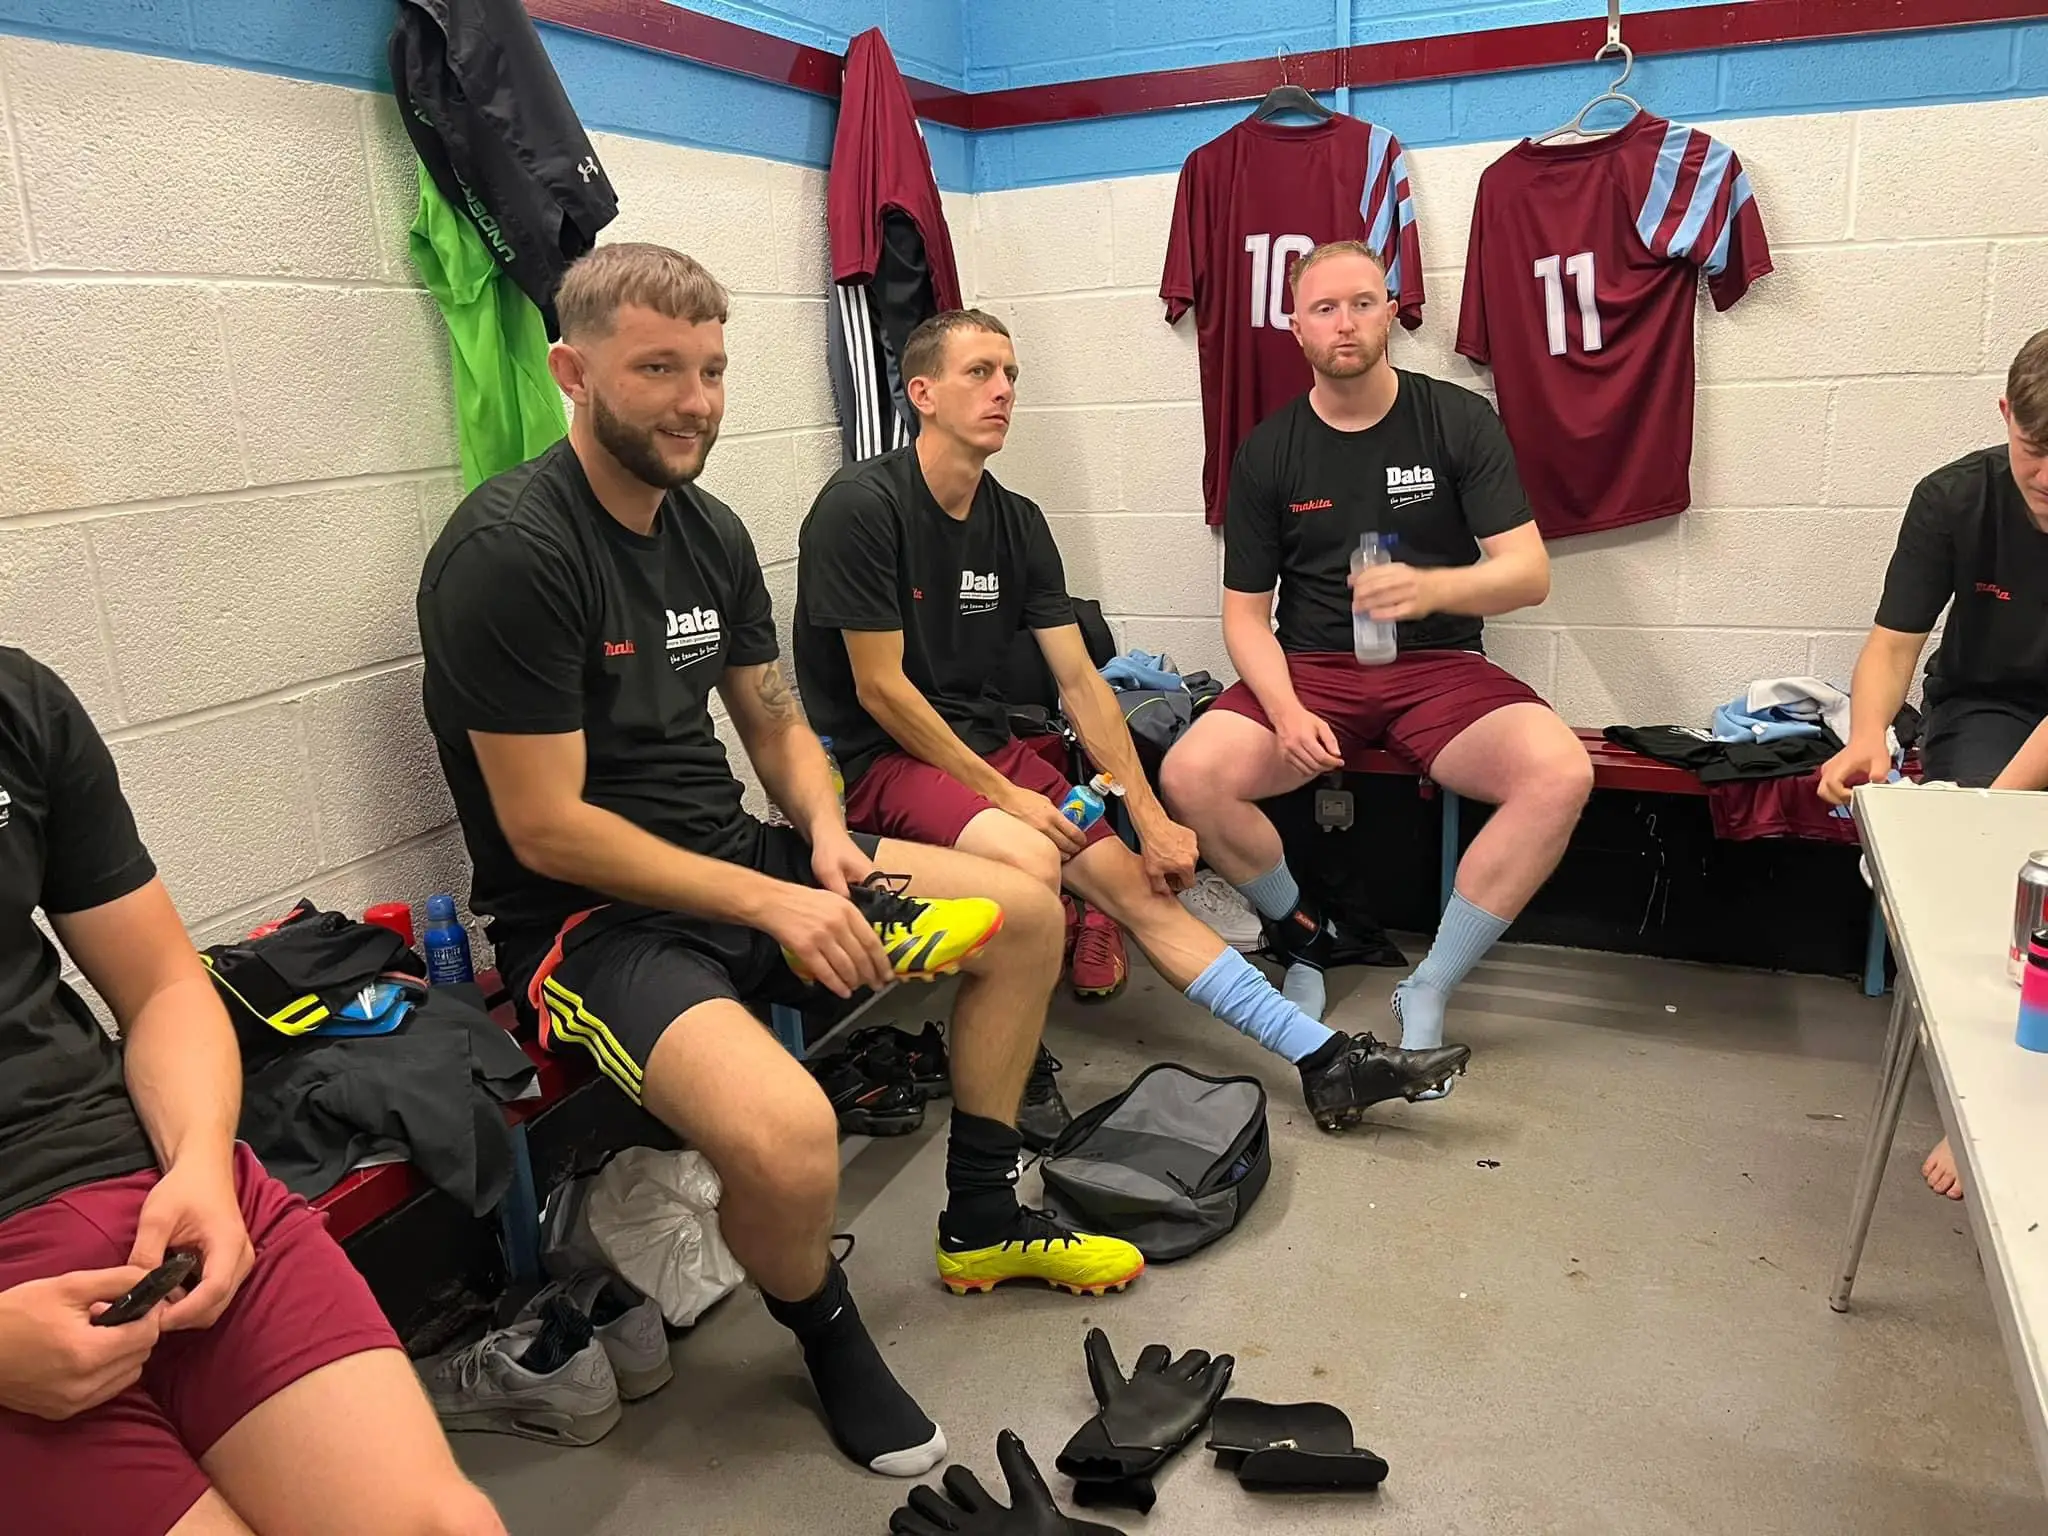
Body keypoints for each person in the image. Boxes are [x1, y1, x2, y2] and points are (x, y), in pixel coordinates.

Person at [417, 244, 1146, 1481]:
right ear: (570, 373)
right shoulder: (513, 547)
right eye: (657, 368)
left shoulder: (708, 531)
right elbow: (545, 829)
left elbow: (775, 722)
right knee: (796, 1136)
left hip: (744, 855)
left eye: (709, 369)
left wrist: (819, 835)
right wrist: (776, 897)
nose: (696, 399)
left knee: (1025, 906)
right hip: (591, 923)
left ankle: (978, 1220)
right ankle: (826, 1332)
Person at [792, 307, 1470, 1136]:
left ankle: (1326, 1061)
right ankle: (1015, 1064)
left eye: (1011, 374)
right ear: (921, 393)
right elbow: (880, 692)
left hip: (988, 751)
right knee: (1027, 863)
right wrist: (1010, 801)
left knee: (1145, 895)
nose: (1003, 390)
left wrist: (1151, 817)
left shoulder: (1018, 521)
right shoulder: (863, 506)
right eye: (979, 373)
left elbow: (1079, 681)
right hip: (882, 761)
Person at [0, 648, 504, 1536]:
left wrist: (199, 1166)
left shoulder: (15, 699)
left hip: (152, 1189)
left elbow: (161, 984)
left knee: (443, 1524)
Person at [1158, 242, 1594, 1091]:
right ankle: (1301, 935)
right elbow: (1244, 617)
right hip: (1312, 668)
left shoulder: (1457, 420)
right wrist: (1283, 710)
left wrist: (1429, 585)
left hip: (1440, 669)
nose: (1345, 322)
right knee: (1190, 773)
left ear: (1392, 311)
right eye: (1324, 308)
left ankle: (1429, 984)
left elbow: (1528, 574)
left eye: (1363, 303)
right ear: (1295, 326)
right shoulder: (1270, 449)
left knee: (1560, 773)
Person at [1817, 325, 2048, 1201]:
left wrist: (1992, 812)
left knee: (2007, 848)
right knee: (1982, 880)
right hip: (1986, 700)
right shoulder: (1953, 498)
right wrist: (1867, 735)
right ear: (2005, 418)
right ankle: (1979, 1096)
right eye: (2035, 451)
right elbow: (1892, 645)